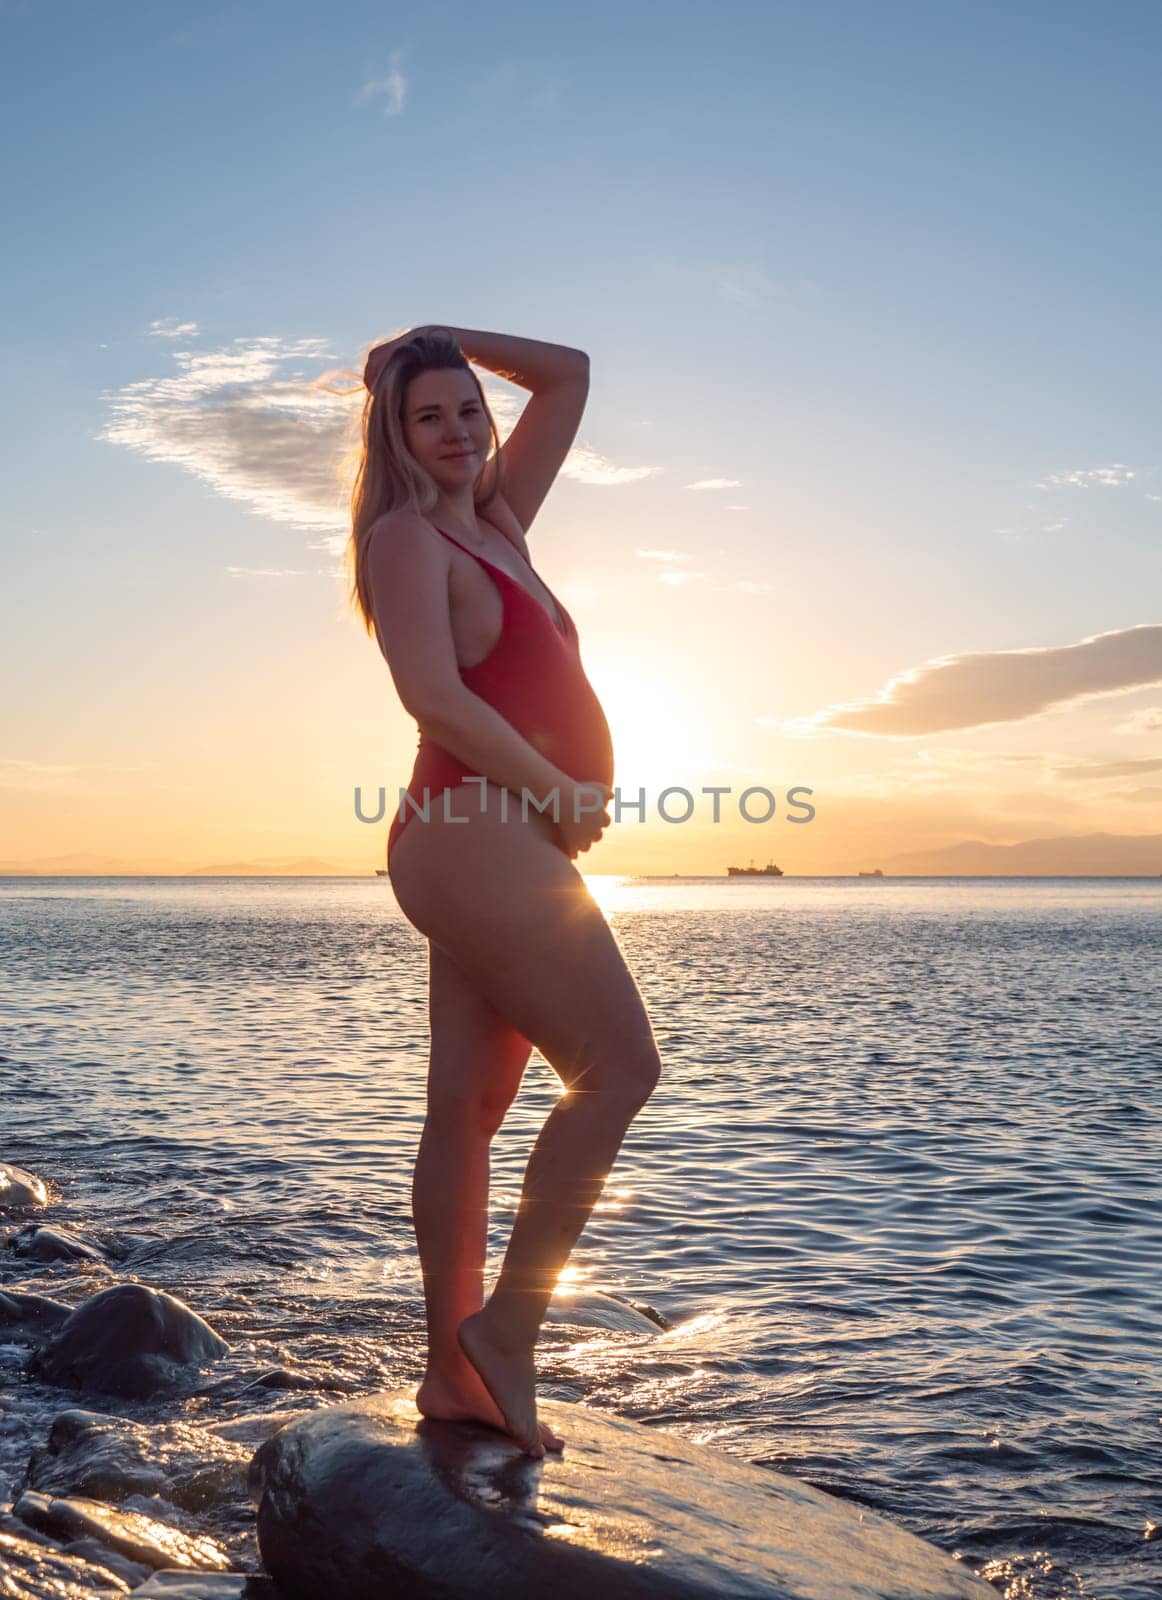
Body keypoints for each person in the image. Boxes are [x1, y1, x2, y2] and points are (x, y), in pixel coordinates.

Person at [346, 325, 662, 1459]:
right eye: (428, 414)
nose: (460, 431)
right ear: (394, 432)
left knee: (468, 1112)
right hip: (472, 825)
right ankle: (512, 1328)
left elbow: (571, 370)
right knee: (621, 1067)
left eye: (468, 408)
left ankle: (451, 1374)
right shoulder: (404, 540)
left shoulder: (501, 522)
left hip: (502, 833)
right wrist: (561, 789)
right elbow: (433, 698)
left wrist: (425, 342)